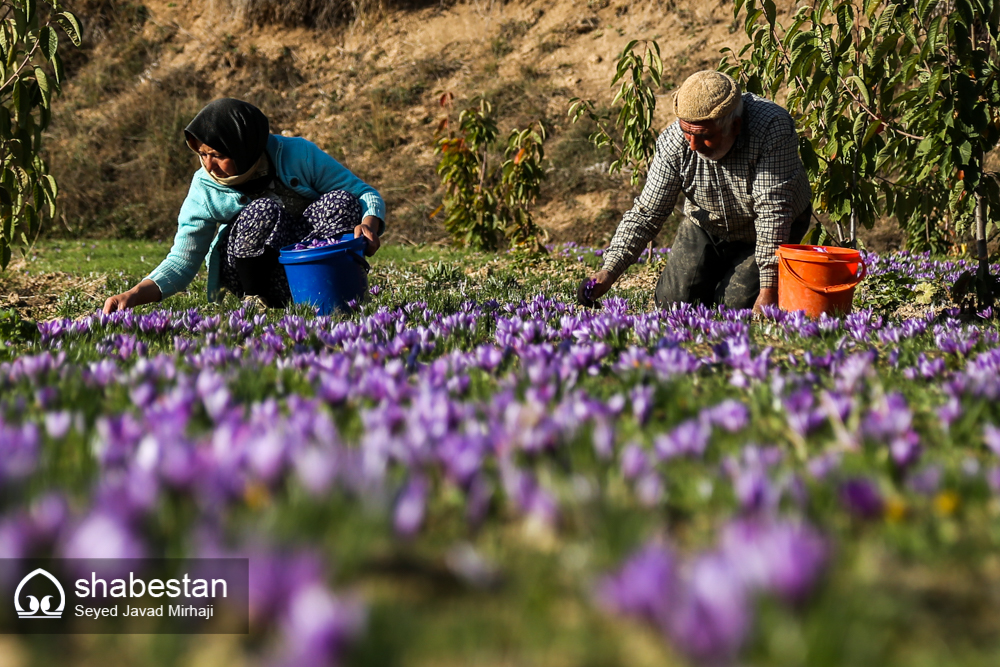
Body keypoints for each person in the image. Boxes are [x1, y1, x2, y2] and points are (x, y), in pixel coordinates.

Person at [103, 98, 385, 313]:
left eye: (218, 154)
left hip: (301, 266)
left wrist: (369, 223)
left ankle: (331, 288)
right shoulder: (204, 187)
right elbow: (182, 260)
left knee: (342, 201)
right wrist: (135, 294)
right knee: (262, 210)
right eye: (202, 154)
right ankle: (256, 303)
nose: (209, 165)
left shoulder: (297, 154)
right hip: (248, 273)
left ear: (245, 146)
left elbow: (363, 193)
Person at [578, 70, 812, 313]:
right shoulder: (674, 144)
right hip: (708, 223)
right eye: (686, 132)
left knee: (734, 308)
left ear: (735, 125)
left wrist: (769, 289)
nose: (693, 145)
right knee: (673, 305)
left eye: (704, 136)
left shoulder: (772, 129)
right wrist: (608, 271)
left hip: (768, 230)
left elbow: (773, 213)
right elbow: (647, 213)